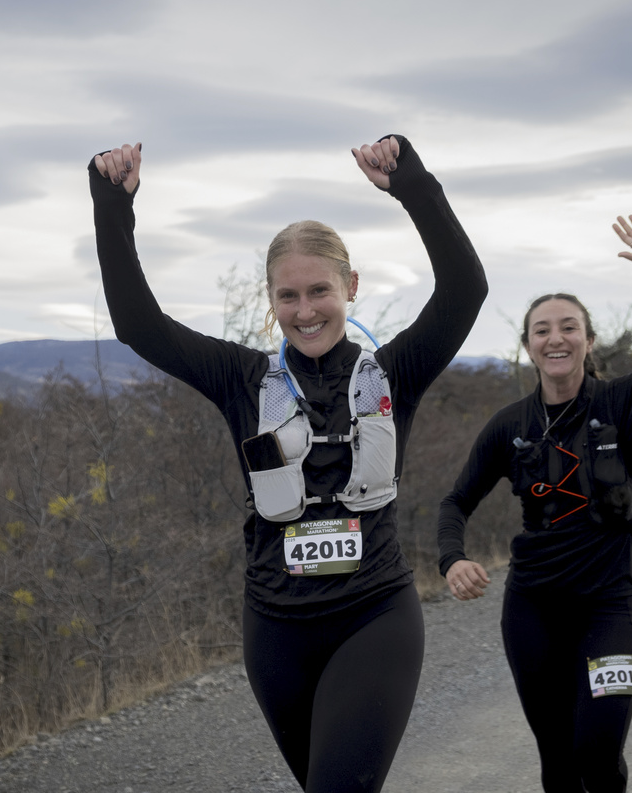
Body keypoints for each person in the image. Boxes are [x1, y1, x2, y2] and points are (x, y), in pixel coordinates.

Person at [89, 135, 486, 792]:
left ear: (350, 286)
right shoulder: (240, 379)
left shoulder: (392, 373)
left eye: (320, 291)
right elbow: (138, 325)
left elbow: (466, 290)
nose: (305, 312)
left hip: (375, 616)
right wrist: (113, 206)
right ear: (270, 300)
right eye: (288, 296)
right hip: (275, 632)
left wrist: (413, 188)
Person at [437, 215, 632, 792]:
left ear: (588, 341)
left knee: (598, 752)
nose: (556, 338)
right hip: (533, 607)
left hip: (611, 602)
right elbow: (455, 501)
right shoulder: (509, 425)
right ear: (528, 347)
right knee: (558, 759)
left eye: (569, 327)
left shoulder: (628, 401)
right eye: (542, 330)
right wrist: (452, 559)